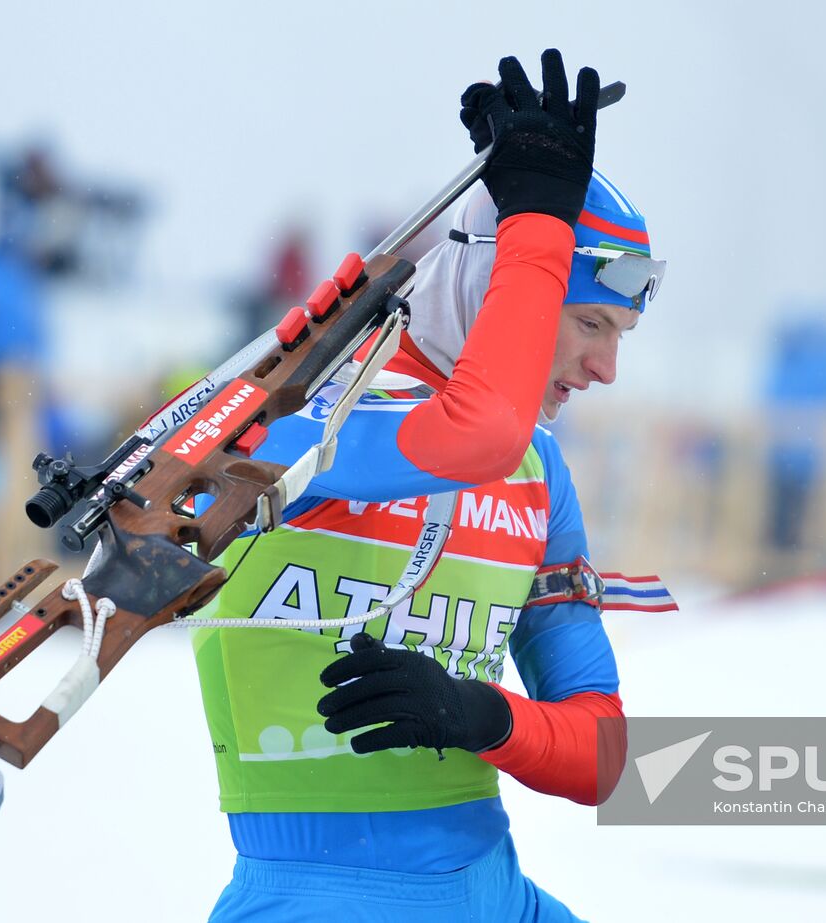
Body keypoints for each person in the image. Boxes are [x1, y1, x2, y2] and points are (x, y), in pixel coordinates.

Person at [190, 50, 666, 921]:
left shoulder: (539, 466)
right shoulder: (305, 417)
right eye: (591, 321)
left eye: (621, 334)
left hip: (499, 894)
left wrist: (481, 714)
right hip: (316, 900)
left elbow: (603, 751)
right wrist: (537, 229)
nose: (605, 366)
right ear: (496, 278)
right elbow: (469, 436)